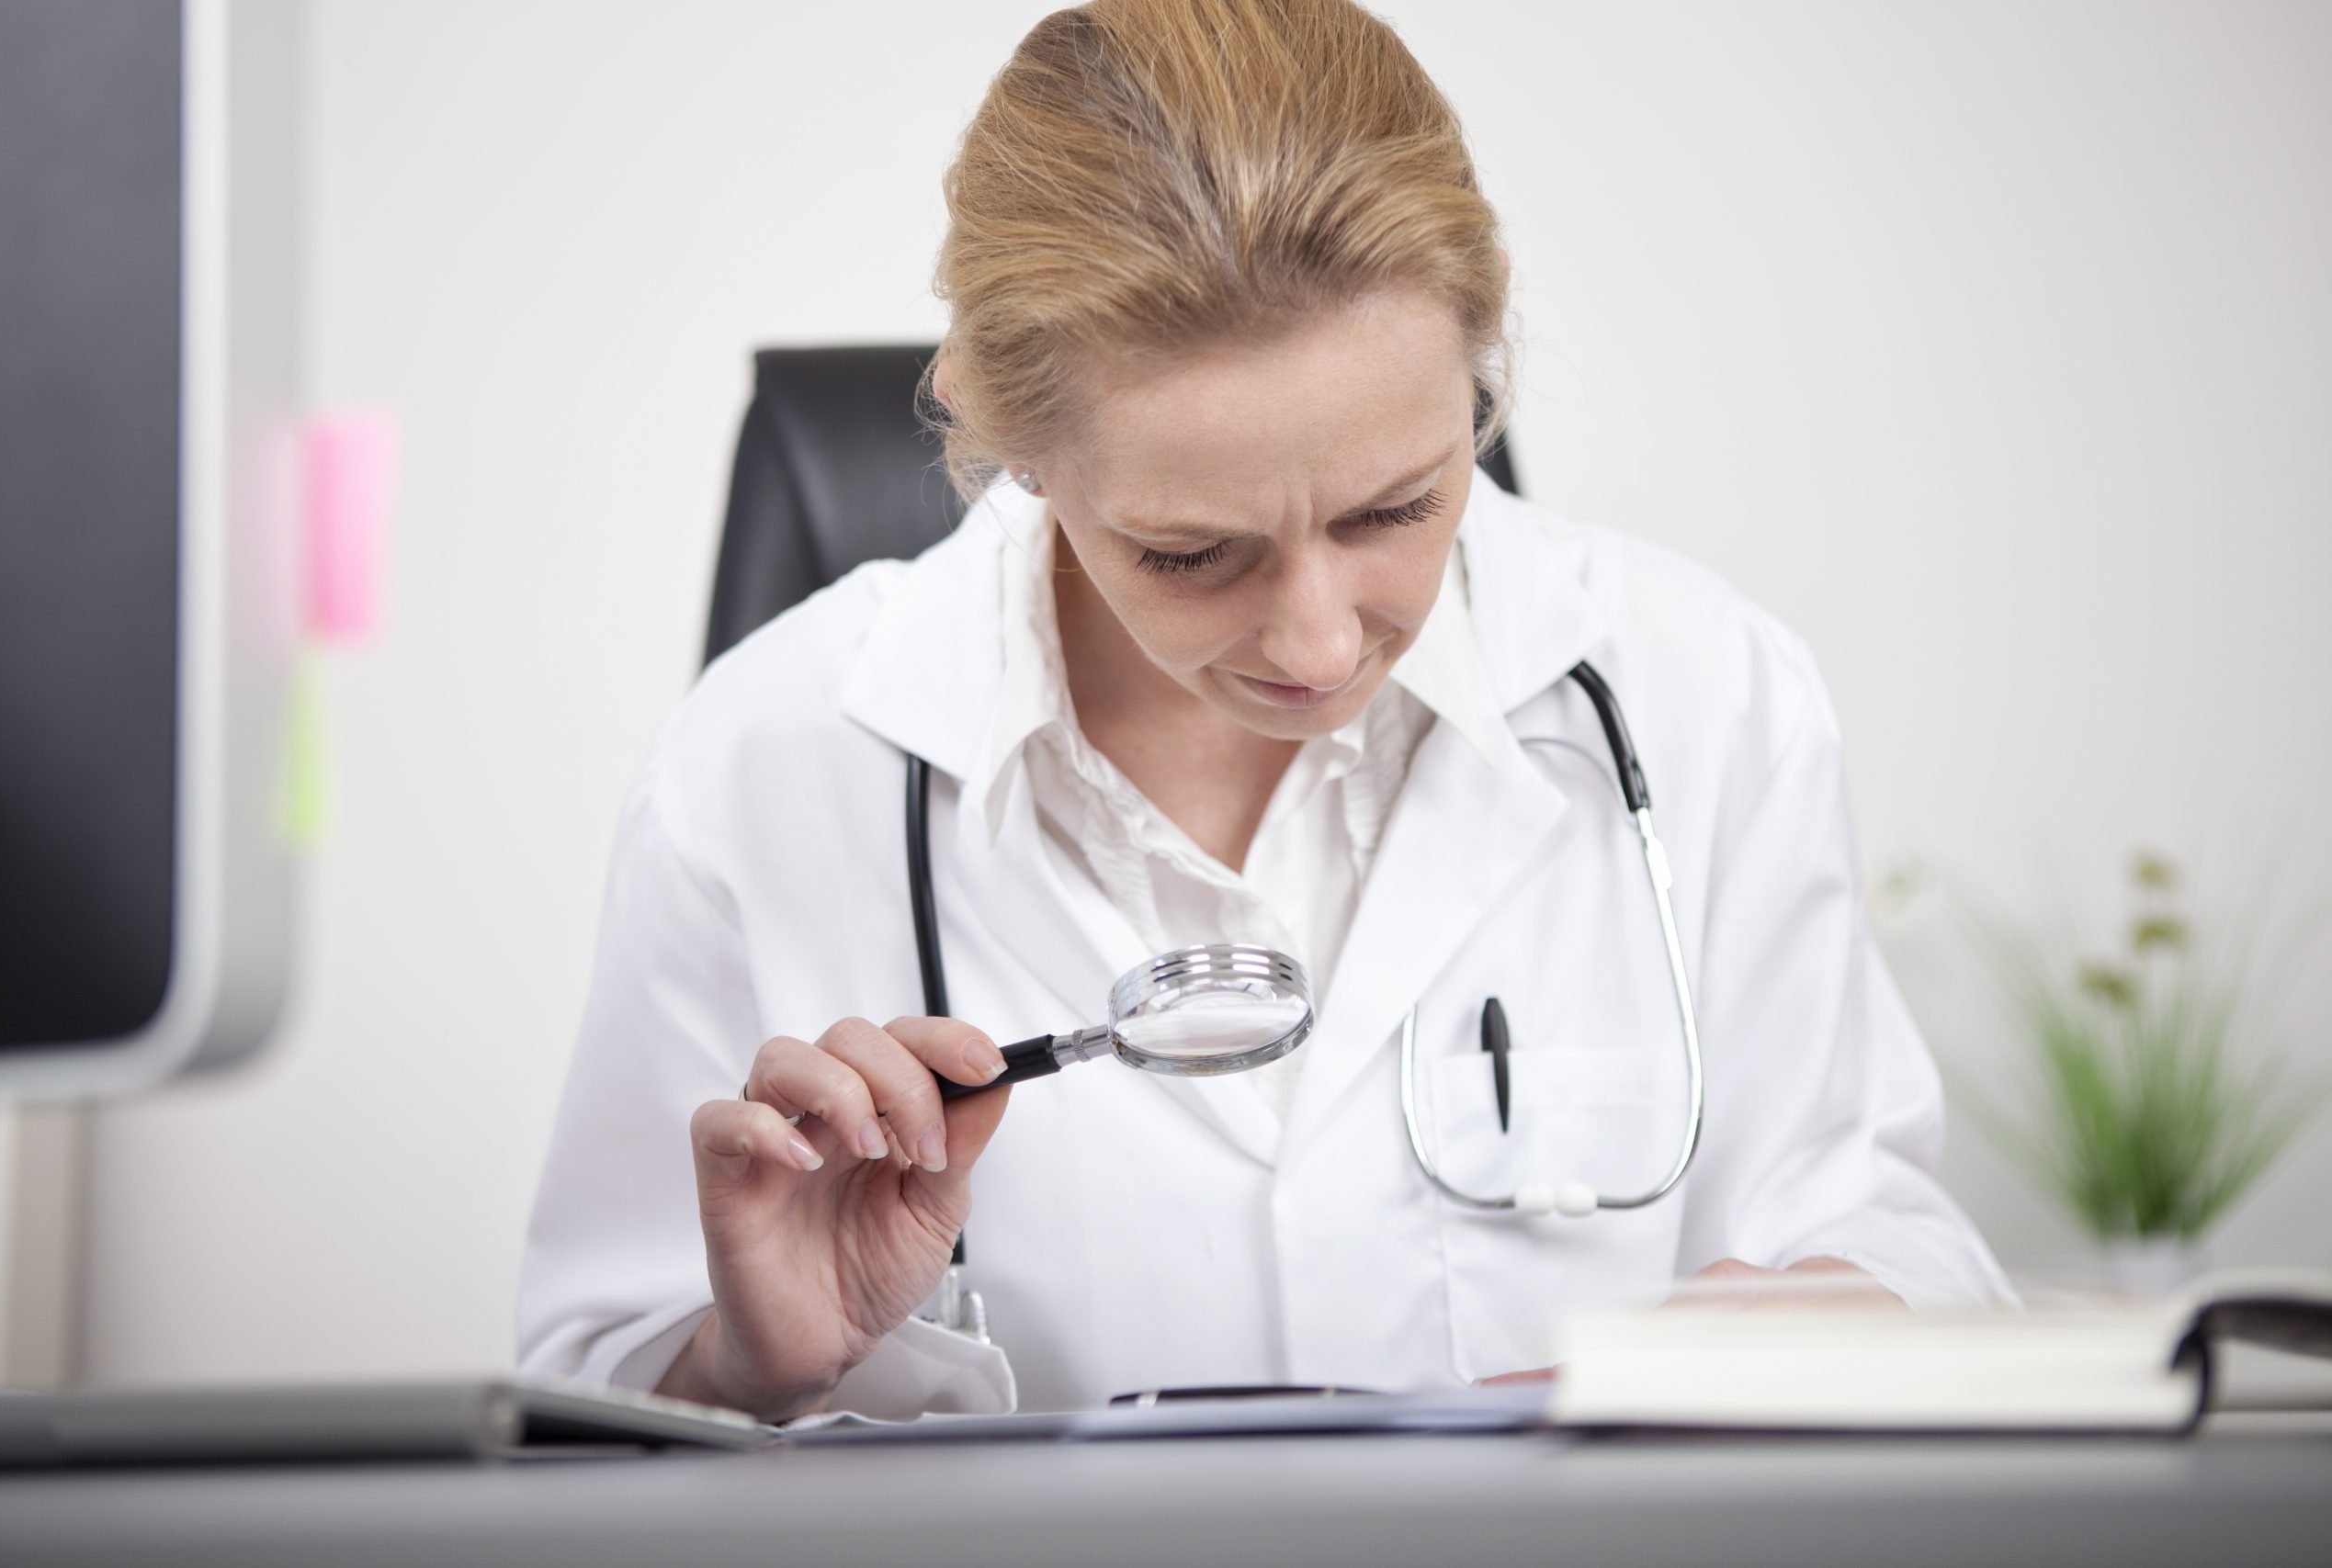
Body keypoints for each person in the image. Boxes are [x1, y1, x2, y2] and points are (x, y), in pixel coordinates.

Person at [517, 0, 2008, 1422]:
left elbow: (1903, 1251)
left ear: (1480, 377)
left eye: (1397, 509)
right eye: (1190, 552)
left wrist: (1835, 1314)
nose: (1315, 638)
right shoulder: (761, 769)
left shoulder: (1707, 692)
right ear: (1005, 440)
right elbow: (581, 1411)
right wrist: (740, 1366)